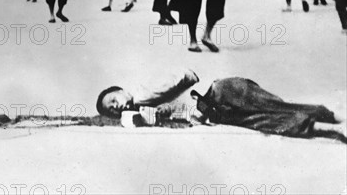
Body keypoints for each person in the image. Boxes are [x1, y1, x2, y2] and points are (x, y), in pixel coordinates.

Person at [95, 70, 345, 141]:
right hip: (218, 109)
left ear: (120, 89)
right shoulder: (141, 105)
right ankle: (329, 126)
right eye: (111, 109)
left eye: (113, 100)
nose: (116, 107)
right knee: (274, 121)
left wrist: (144, 102)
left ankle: (332, 118)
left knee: (277, 111)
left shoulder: (141, 92)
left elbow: (187, 76)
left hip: (222, 92)